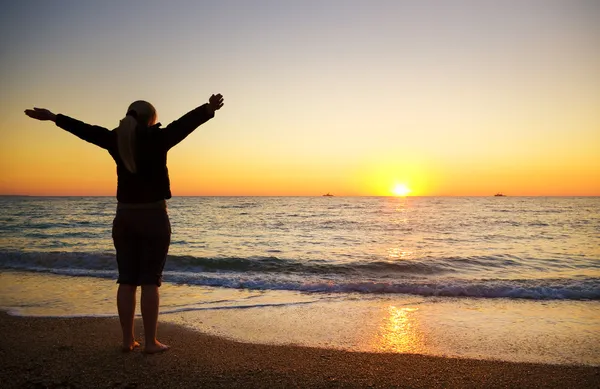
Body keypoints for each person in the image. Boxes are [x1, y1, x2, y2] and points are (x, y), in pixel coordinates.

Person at [24, 94, 224, 353]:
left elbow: (85, 130)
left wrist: (53, 117)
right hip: (153, 216)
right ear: (151, 121)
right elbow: (184, 124)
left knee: (127, 280)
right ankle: (151, 342)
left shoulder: (115, 139)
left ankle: (127, 341)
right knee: (150, 281)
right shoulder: (158, 138)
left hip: (125, 217)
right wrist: (207, 109)